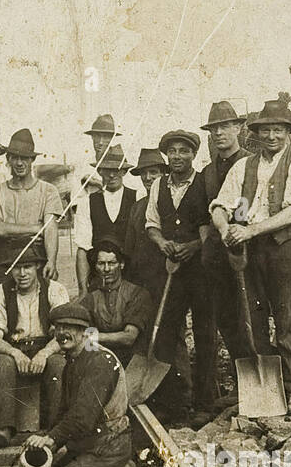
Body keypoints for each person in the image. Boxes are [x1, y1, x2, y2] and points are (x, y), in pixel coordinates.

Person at [209, 98, 291, 416]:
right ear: (256, 134)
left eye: (278, 130)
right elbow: (220, 204)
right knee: (253, 321)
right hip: (249, 251)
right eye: (266, 130)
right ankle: (265, 392)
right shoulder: (245, 166)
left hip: (283, 249)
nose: (272, 136)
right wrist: (224, 227)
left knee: (287, 321)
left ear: (287, 132)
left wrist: (250, 230)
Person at [146, 129, 218, 421]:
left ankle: (204, 403)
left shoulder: (205, 182)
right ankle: (173, 402)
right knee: (167, 334)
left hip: (200, 270)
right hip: (171, 271)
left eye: (183, 151)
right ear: (166, 155)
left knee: (204, 333)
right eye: (172, 151)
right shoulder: (158, 187)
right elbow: (151, 223)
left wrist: (195, 245)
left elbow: (215, 223)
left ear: (193, 155)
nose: (177, 156)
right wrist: (162, 242)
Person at [21, 302, 133, 467]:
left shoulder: (100, 361)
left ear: (84, 332)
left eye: (69, 328)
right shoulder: (73, 360)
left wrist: (51, 439)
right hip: (87, 443)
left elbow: (83, 416)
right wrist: (49, 440)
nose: (62, 333)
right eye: (58, 328)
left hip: (108, 445)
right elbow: (65, 410)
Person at [0, 238, 69, 447]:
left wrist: (44, 353)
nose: (22, 274)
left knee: (59, 364)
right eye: (17, 268)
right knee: (4, 364)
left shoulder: (54, 290)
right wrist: (15, 353)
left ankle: (55, 429)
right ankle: (4, 429)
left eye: (27, 267)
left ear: (38, 266)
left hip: (46, 346)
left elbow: (64, 333)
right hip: (14, 347)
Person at [197, 101, 256, 371]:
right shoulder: (208, 172)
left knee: (252, 317)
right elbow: (202, 217)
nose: (219, 133)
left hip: (247, 249)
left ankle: (262, 372)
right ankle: (241, 377)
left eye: (225, 126)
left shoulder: (251, 163)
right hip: (216, 255)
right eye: (214, 128)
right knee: (226, 317)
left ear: (238, 128)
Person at [0, 129, 63, 283]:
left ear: (32, 160)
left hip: (36, 257)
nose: (19, 163)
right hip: (5, 259)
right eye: (15, 158)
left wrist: (51, 261)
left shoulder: (48, 190)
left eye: (25, 158)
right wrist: (36, 228)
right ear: (8, 159)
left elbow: (50, 228)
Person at [80, 237, 152, 365]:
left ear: (122, 264)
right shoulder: (90, 299)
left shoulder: (137, 294)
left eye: (112, 263)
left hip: (132, 361)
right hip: (101, 360)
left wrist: (94, 337)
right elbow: (82, 334)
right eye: (101, 263)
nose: (106, 269)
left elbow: (129, 337)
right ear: (95, 266)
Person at [73, 145, 135, 294]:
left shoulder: (136, 197)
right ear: (100, 171)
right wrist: (83, 289)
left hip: (131, 278)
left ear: (124, 171)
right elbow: (83, 248)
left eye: (117, 170)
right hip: (98, 279)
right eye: (107, 170)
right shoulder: (87, 202)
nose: (112, 175)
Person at [122, 147, 168, 299]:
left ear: (163, 173)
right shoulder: (137, 207)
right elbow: (129, 248)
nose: (148, 178)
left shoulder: (171, 202)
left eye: (153, 172)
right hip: (140, 280)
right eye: (143, 173)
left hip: (166, 277)